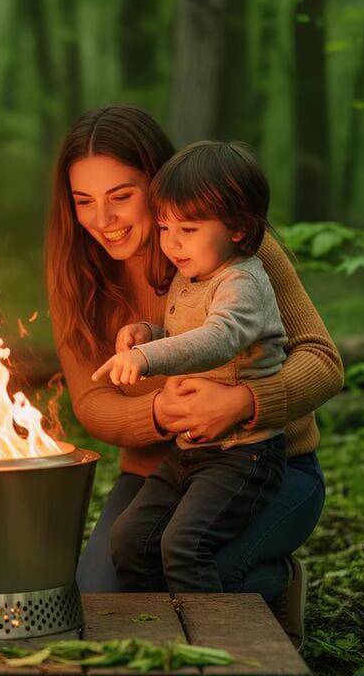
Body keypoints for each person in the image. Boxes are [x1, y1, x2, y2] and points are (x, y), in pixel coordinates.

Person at [44, 105, 343, 648]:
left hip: (264, 462)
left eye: (121, 196)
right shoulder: (75, 267)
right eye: (83, 201)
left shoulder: (231, 243)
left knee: (198, 573)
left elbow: (323, 361)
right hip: (164, 471)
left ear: (157, 185)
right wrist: (159, 413)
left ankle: (273, 584)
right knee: (105, 597)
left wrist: (245, 402)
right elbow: (91, 403)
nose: (102, 219)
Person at [93, 141, 288, 595]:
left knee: (184, 545)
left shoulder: (242, 281)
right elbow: (187, 334)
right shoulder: (191, 275)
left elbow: (220, 339)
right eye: (165, 227)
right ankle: (158, 625)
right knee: (130, 540)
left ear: (238, 228)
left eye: (189, 229)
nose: (172, 242)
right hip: (188, 450)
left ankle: (209, 631)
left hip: (243, 455)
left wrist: (147, 358)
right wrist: (149, 334)